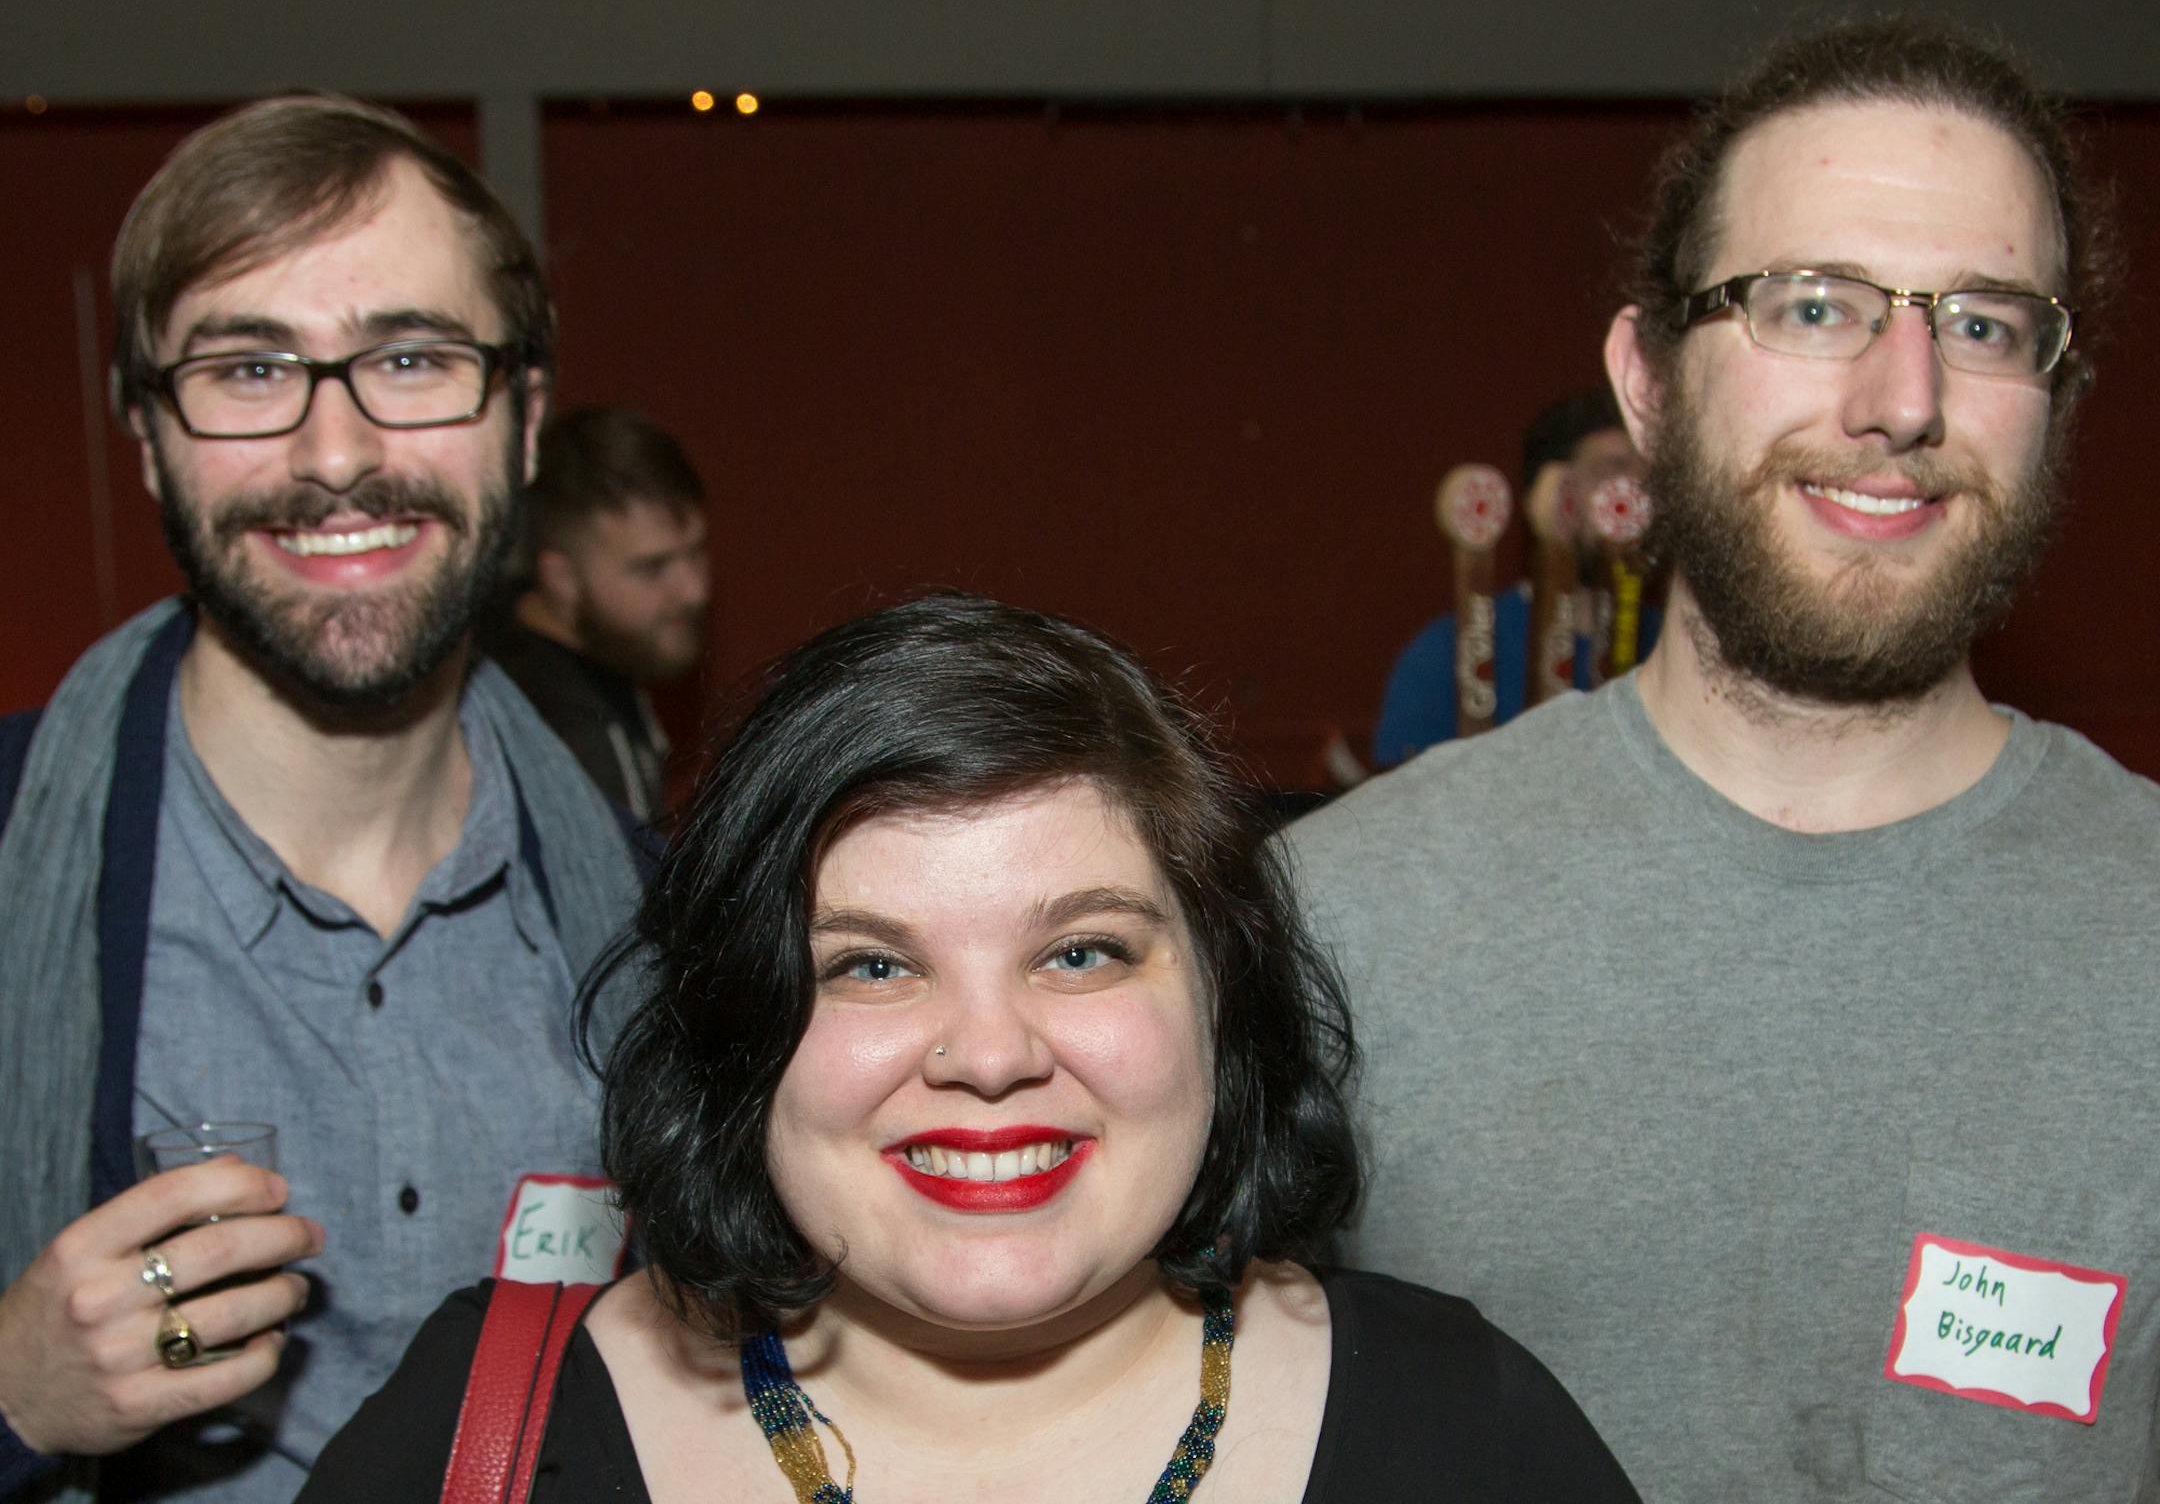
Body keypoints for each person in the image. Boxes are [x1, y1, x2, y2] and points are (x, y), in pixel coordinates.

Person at [1288, 16, 2160, 1500]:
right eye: (1814, 306)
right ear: (1648, 380)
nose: (1903, 398)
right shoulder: (1337, 920)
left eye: (1985, 323)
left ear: (2057, 402)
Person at [300, 593, 1641, 1502]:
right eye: (871, 964)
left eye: (1082, 950)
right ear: (737, 1022)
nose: (989, 1053)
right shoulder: (488, 1439)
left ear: (1221, 998)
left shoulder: (1467, 1434)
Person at [0, 96, 645, 1502]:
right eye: (247, 369)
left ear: (524, 420)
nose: (339, 453)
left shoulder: (664, 929)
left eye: (412, 358)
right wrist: (15, 1389)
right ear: (148, 430)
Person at [1370, 389, 1654, 767]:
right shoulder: (1443, 657)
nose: (1634, 495)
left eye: (1647, 476)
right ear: (1548, 493)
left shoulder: (1680, 651)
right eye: (1610, 471)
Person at [483, 406, 711, 822]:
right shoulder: (560, 735)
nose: (694, 591)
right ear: (561, 578)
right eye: (652, 568)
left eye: (696, 551)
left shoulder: (600, 655)